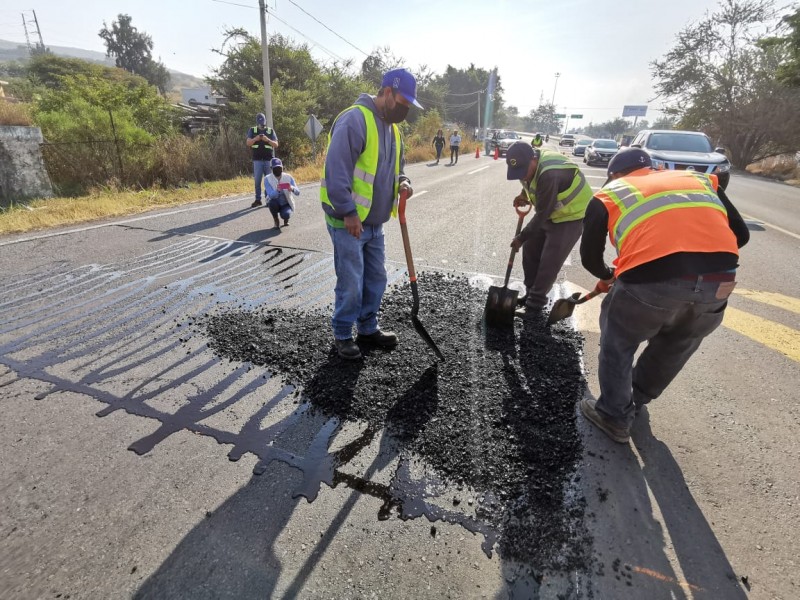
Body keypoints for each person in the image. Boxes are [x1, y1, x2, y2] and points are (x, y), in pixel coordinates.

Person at [578, 148, 749, 444]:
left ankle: (614, 415)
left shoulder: (610, 194)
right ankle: (636, 397)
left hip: (649, 283)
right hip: (719, 281)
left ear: (615, 175)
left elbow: (590, 259)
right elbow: (741, 235)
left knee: (619, 341)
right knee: (677, 344)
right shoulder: (700, 181)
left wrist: (609, 275)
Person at [320, 68, 421, 360]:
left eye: (409, 106)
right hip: (348, 221)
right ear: (387, 92)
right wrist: (349, 213)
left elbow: (397, 169)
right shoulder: (355, 120)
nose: (405, 110)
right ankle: (342, 333)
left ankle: (367, 326)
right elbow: (336, 171)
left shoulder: (394, 130)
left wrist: (404, 182)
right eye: (402, 103)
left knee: (376, 278)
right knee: (351, 280)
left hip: (376, 223)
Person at [505, 141, 593, 314]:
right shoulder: (531, 164)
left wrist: (521, 238)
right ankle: (530, 293)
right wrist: (524, 194)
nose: (522, 177)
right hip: (550, 210)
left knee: (549, 260)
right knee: (530, 250)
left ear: (533, 160)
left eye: (523, 172)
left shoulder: (549, 174)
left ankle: (535, 304)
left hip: (571, 215)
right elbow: (529, 182)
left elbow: (542, 213)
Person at [246, 113, 279, 208]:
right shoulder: (252, 130)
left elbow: (276, 144)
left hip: (268, 160)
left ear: (265, 122)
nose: (262, 125)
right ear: (257, 122)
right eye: (260, 123)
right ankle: (258, 200)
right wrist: (256, 138)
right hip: (257, 160)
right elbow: (248, 143)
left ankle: (269, 200)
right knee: (257, 181)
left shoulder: (270, 131)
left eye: (263, 123)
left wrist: (267, 140)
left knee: (268, 181)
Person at [264, 157, 300, 229]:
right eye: (275, 168)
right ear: (271, 169)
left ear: (282, 168)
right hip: (275, 202)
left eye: (279, 168)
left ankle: (286, 218)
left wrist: (292, 188)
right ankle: (276, 219)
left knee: (286, 215)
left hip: (286, 203)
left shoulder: (288, 177)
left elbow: (298, 192)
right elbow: (270, 195)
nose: (278, 170)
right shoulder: (267, 178)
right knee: (272, 203)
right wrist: (277, 190)